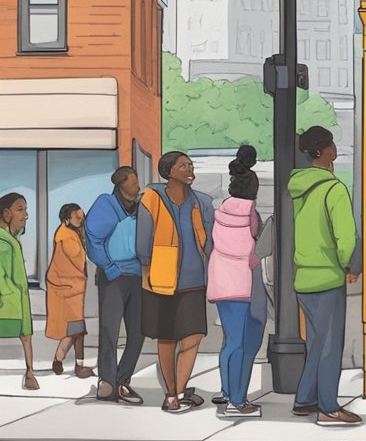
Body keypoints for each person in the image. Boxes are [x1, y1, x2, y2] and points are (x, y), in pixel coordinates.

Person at [290, 126, 362, 426]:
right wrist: (352, 265)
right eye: (331, 144)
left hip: (303, 276)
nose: (335, 148)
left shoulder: (297, 187)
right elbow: (346, 236)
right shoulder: (334, 188)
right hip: (328, 277)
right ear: (322, 152)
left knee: (317, 342)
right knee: (331, 343)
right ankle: (329, 408)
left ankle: (305, 399)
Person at [138, 151, 215, 413]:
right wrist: (147, 265)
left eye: (190, 165)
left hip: (194, 280)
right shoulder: (151, 199)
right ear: (169, 172)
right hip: (162, 279)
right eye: (183, 165)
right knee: (167, 338)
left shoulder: (201, 202)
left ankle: (180, 390)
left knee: (193, 336)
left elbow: (209, 239)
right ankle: (170, 394)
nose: (189, 168)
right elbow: (143, 241)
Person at [207, 146, 265, 418]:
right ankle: (238, 400)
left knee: (231, 342)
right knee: (243, 343)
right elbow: (259, 244)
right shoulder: (251, 215)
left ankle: (227, 392)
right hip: (243, 285)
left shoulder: (220, 213)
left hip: (221, 285)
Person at [84, 166, 146, 404]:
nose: (137, 185)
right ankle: (107, 381)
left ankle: (122, 379)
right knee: (110, 331)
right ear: (121, 184)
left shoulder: (141, 206)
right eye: (133, 182)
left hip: (138, 277)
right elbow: (93, 238)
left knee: (138, 332)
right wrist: (109, 267)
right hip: (113, 278)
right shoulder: (106, 204)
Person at [46, 203, 93, 379]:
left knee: (74, 329)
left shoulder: (69, 232)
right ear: (67, 218)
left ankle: (59, 359)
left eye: (82, 217)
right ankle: (78, 366)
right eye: (77, 218)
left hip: (71, 287)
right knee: (77, 329)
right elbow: (78, 258)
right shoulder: (67, 236)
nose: (81, 220)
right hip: (67, 288)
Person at [0, 193, 38, 390]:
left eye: (26, 209)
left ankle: (30, 372)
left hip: (18, 300)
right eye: (20, 209)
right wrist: (10, 292)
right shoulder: (2, 241)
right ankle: (30, 373)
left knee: (26, 336)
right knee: (24, 336)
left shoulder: (12, 238)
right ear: (7, 213)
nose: (26, 215)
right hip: (7, 302)